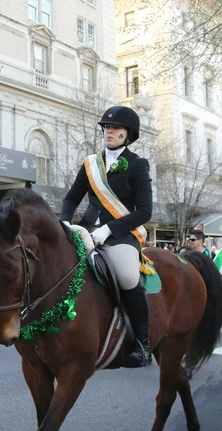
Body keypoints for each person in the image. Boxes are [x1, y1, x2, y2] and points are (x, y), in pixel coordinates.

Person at [60, 105, 153, 368]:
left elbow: (145, 211)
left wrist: (109, 229)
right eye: (106, 128)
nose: (109, 131)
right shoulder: (91, 163)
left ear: (128, 134)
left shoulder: (137, 165)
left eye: (115, 128)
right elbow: (71, 198)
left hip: (121, 234)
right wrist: (65, 222)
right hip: (87, 230)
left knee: (126, 275)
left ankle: (143, 344)